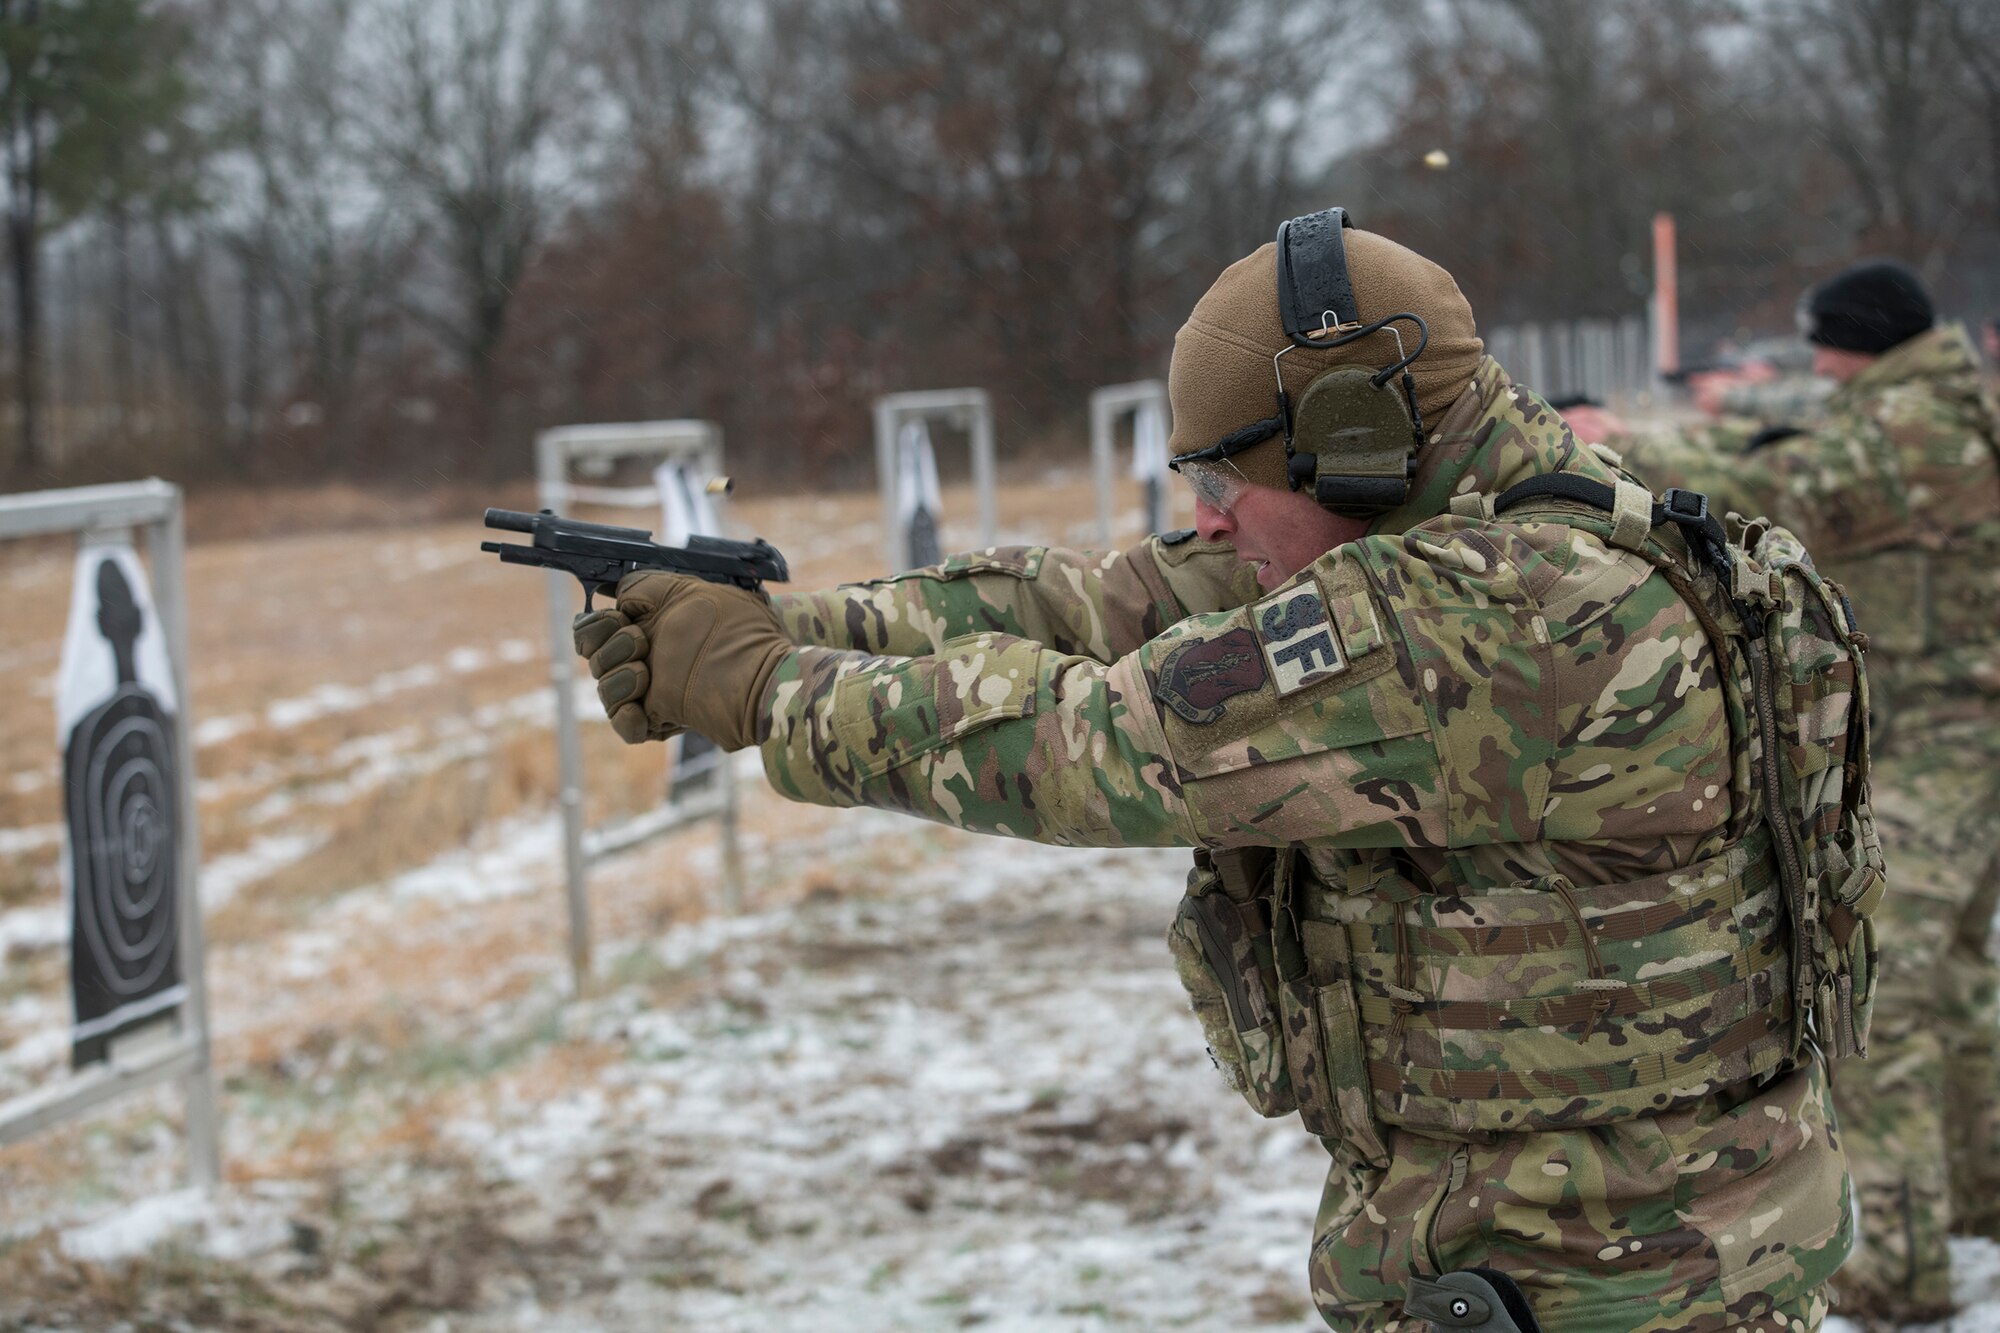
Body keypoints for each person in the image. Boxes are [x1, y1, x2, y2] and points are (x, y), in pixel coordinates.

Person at [571, 214, 1858, 1331]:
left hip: (1596, 1282)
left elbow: (1103, 742)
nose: (1205, 515)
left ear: (1353, 439)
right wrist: (790, 624)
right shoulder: (1528, 519)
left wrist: (760, 692)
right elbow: (1094, 610)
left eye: (1227, 476)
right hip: (1612, 1258)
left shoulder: (1499, 614)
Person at [1607, 259, 2000, 1326]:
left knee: (1884, 998)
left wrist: (1603, 450)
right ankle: (1976, 1204)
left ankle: (1898, 1274)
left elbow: (1768, 477)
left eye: (1822, 343)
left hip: (1944, 749)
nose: (1814, 362)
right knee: (1958, 981)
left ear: (1856, 340)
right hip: (1958, 741)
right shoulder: (1944, 405)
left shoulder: (1909, 431)